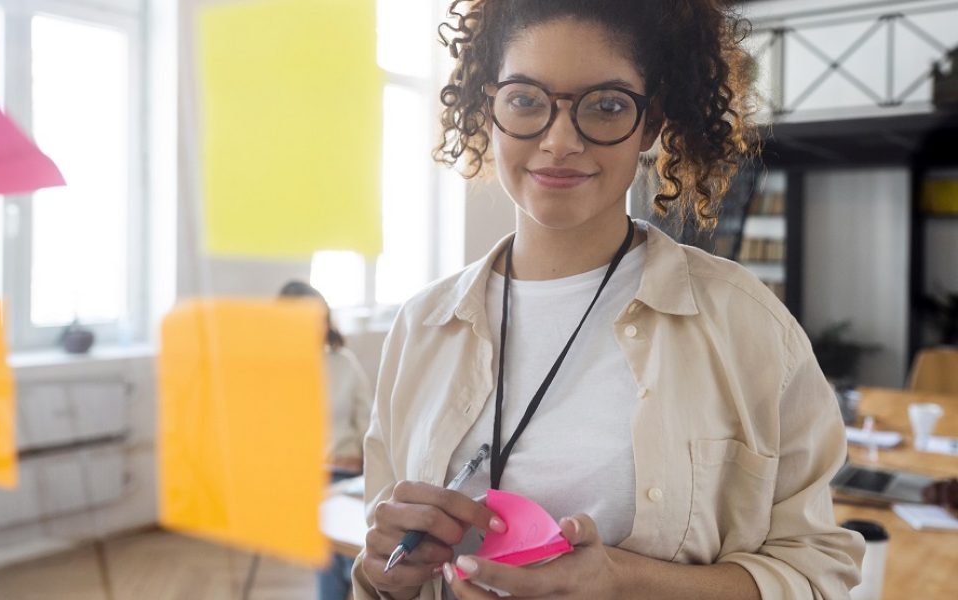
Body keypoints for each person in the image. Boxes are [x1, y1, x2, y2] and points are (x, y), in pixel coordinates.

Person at [352, 1, 864, 599]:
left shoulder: (747, 326)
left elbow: (818, 574)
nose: (560, 140)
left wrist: (625, 582)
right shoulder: (422, 329)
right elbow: (379, 574)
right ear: (487, 108)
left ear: (650, 125)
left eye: (607, 106)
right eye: (525, 100)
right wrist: (382, 573)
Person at [278, 281, 373, 600]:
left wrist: (362, 459)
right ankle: (357, 575)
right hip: (308, 480)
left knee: (361, 527)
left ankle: (355, 574)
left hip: (350, 474)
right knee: (338, 547)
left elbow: (370, 423)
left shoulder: (343, 363)